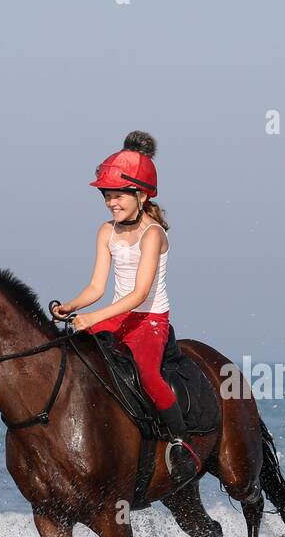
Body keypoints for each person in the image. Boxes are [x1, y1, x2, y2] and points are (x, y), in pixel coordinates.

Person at [50, 130, 201, 485]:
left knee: (147, 375)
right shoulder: (106, 231)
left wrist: (93, 317)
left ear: (141, 194)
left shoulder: (154, 234)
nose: (111, 202)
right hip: (116, 316)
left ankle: (181, 444)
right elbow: (96, 287)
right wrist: (70, 306)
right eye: (107, 195)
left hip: (150, 320)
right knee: (72, 355)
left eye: (117, 195)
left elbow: (138, 294)